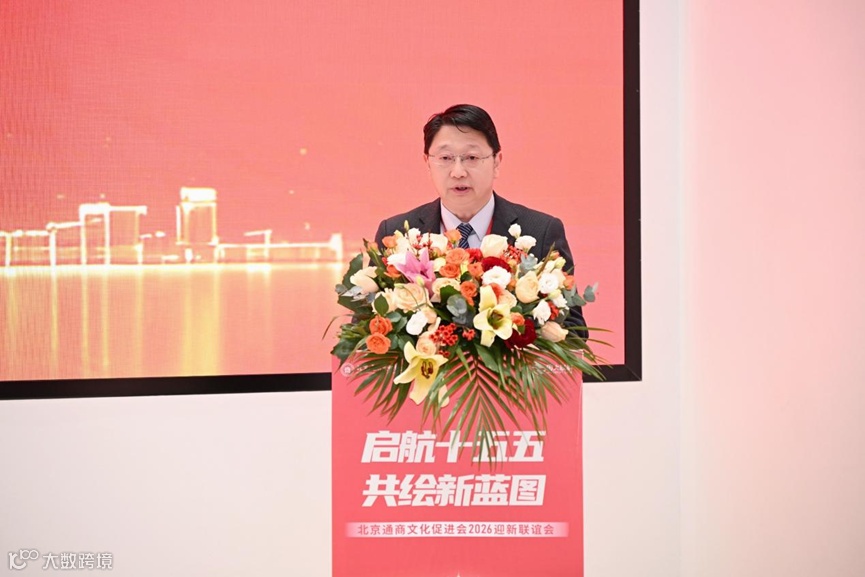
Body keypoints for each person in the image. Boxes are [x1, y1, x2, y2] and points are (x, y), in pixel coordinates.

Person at [374, 103, 587, 334]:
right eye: (445, 157)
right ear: (428, 163)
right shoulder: (396, 235)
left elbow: (574, 331)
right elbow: (370, 327)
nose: (458, 172)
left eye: (472, 157)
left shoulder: (540, 231)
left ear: (496, 161)